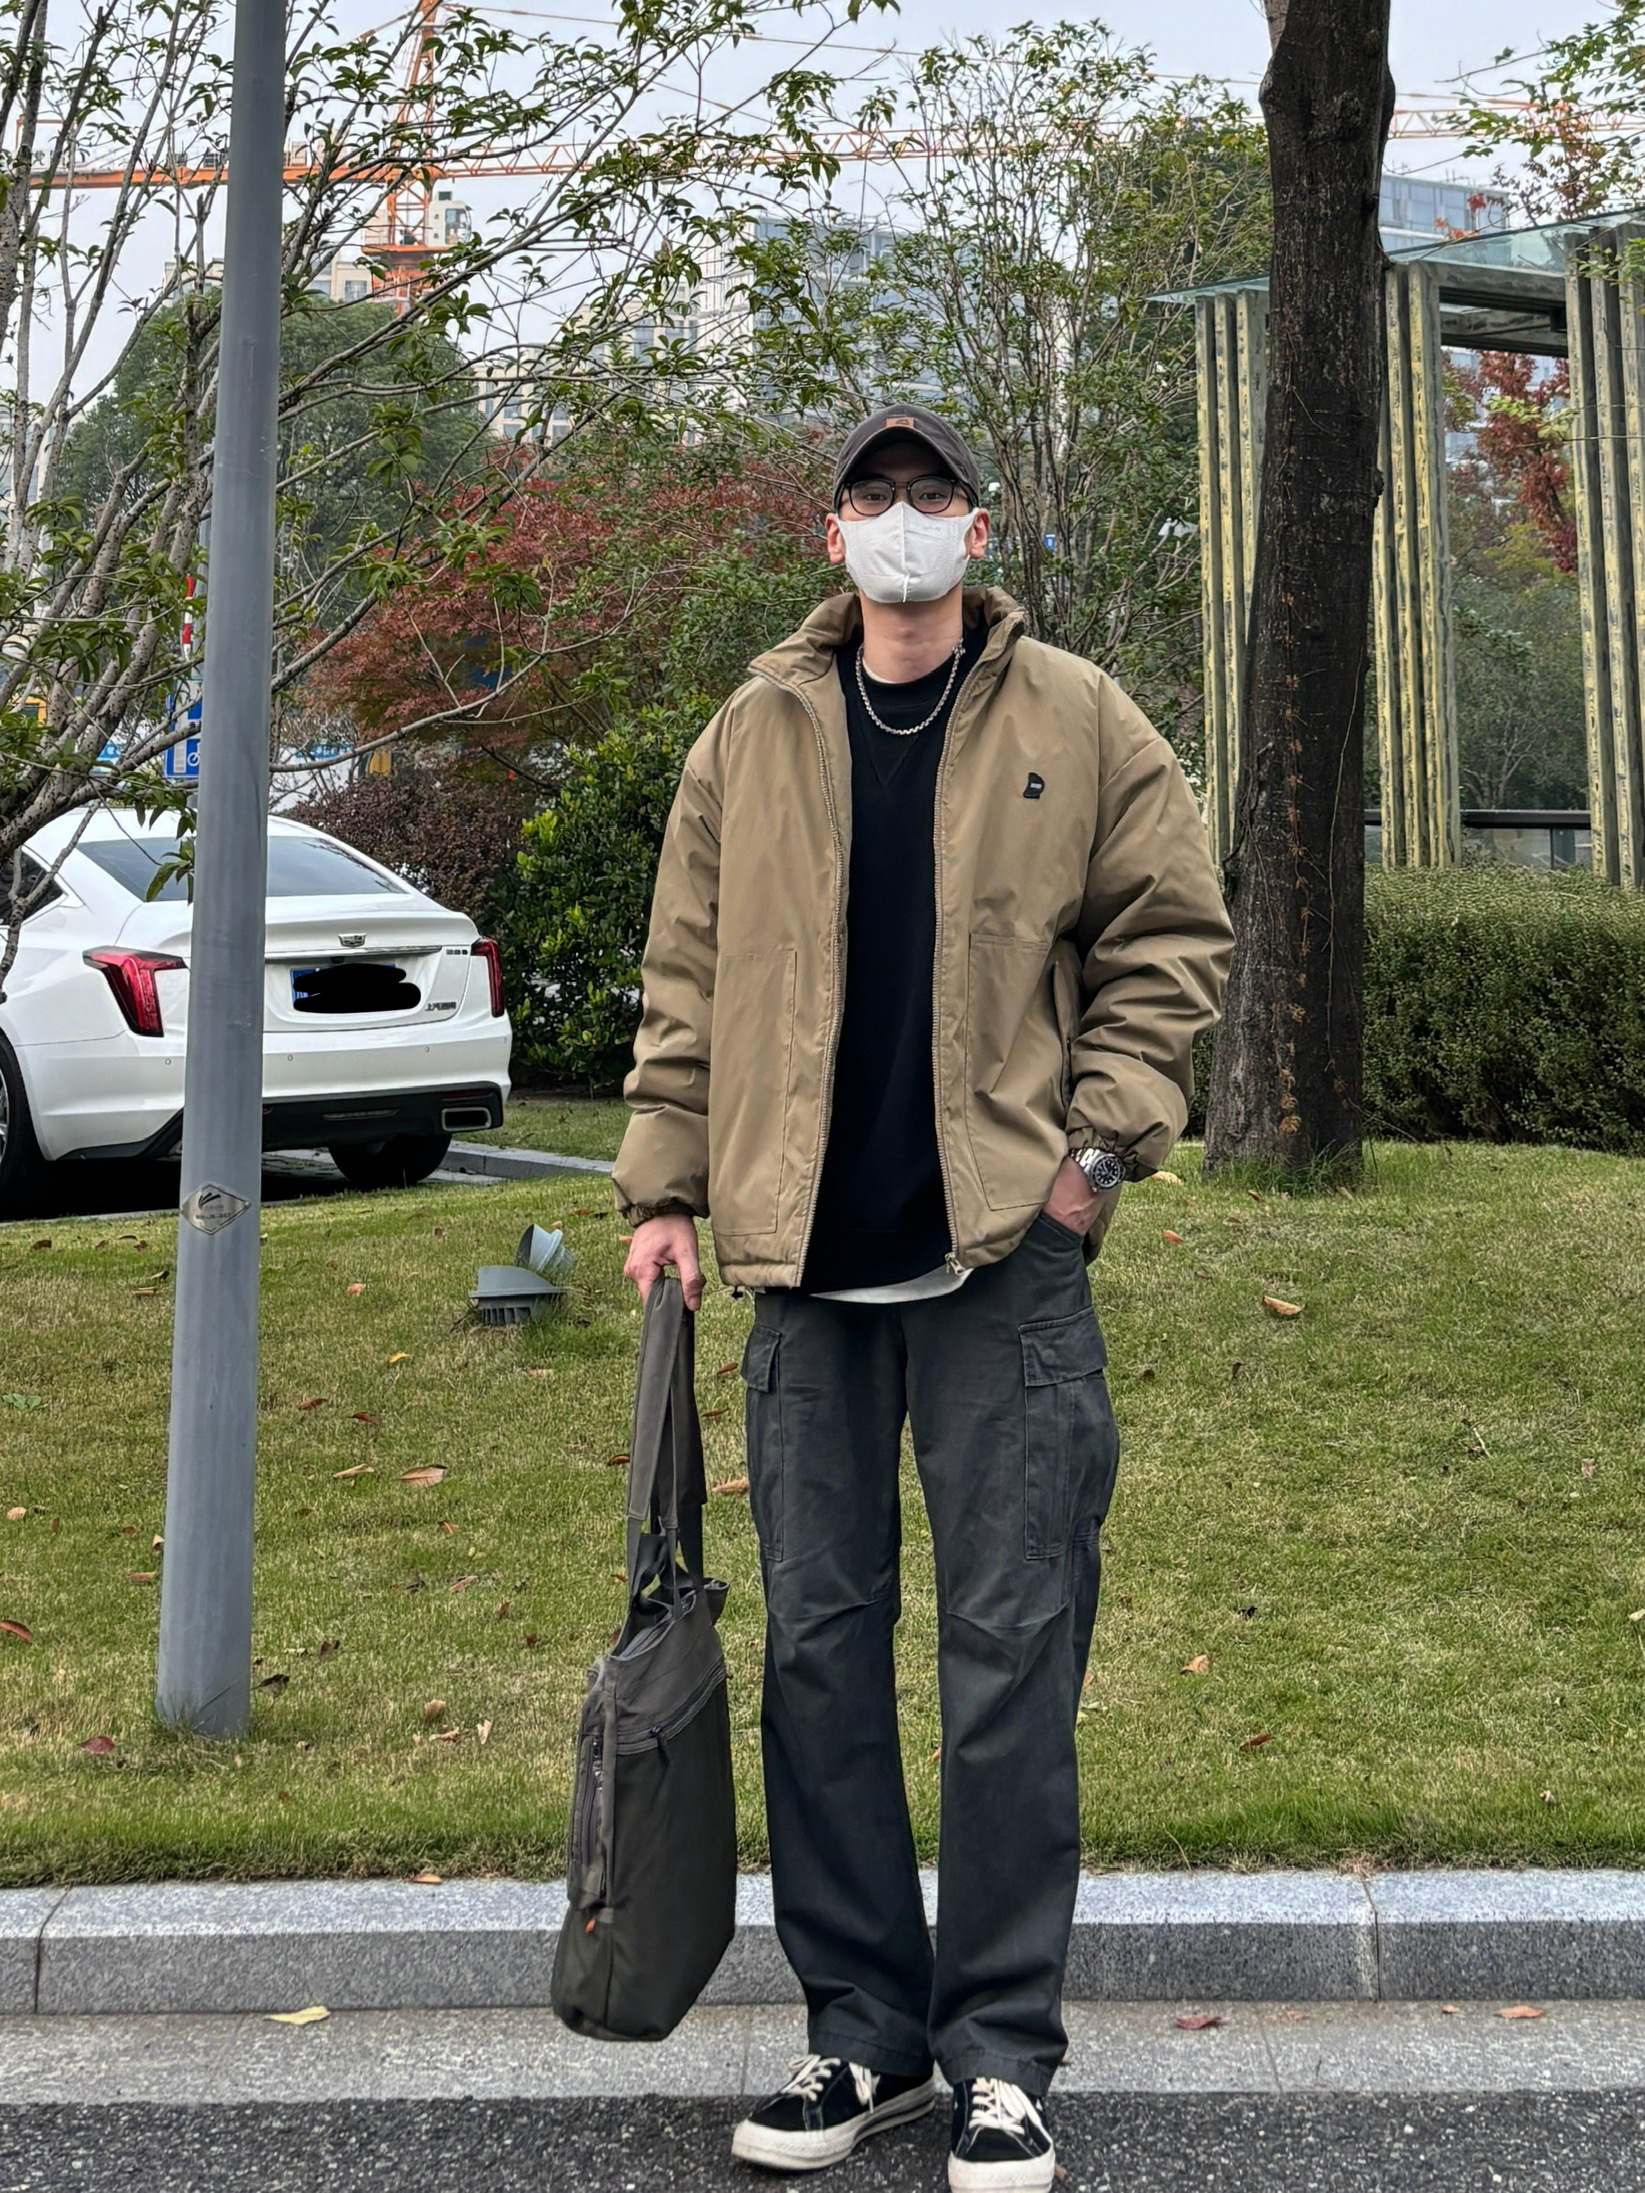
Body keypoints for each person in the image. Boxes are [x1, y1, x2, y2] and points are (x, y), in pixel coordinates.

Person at [614, 403, 1235, 2189]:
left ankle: (1002, 2051)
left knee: (1011, 1654)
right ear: (831, 536)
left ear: (976, 525)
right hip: (804, 1274)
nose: (903, 516)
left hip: (998, 1268)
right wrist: (663, 1186)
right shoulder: (751, 732)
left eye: (931, 491)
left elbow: (1169, 939)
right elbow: (684, 979)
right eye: (873, 493)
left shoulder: (1078, 718)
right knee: (816, 1655)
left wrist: (1093, 1157)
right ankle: (863, 2031)